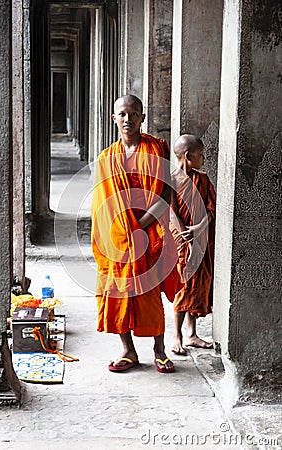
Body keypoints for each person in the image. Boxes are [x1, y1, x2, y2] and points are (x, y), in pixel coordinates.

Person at [91, 94, 179, 373]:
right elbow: (102, 205)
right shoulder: (106, 159)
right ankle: (128, 350)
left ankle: (160, 350)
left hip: (149, 232)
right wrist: (121, 231)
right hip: (118, 238)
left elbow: (166, 191)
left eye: (134, 113)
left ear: (142, 117)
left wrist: (141, 224)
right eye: (123, 114)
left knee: (149, 292)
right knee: (118, 293)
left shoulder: (157, 149)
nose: (128, 119)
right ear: (113, 118)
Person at [169, 134, 216, 355]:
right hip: (181, 240)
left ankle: (191, 333)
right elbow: (171, 212)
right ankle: (177, 336)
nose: (203, 159)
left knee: (198, 285)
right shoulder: (171, 180)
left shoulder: (203, 179)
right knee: (184, 286)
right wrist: (184, 235)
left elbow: (210, 209)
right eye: (200, 155)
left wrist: (198, 228)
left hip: (200, 237)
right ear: (188, 156)